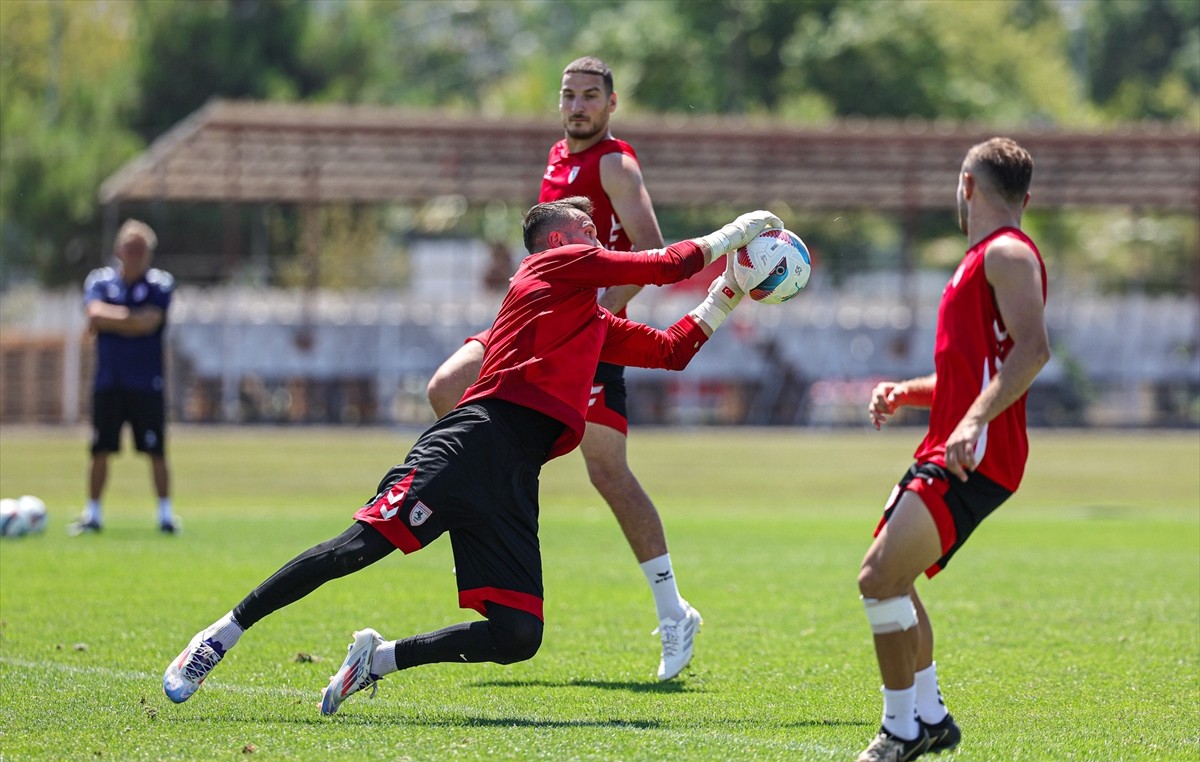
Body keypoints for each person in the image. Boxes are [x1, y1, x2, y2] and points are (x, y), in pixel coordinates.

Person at [163, 197, 782, 714]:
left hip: (516, 471)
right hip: (472, 441)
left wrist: (728, 291)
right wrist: (739, 231)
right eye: (585, 226)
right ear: (556, 239)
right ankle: (219, 636)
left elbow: (671, 351)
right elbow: (666, 264)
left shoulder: (586, 316)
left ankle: (379, 660)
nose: (597, 233)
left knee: (518, 635)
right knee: (355, 549)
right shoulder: (551, 268)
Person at [427, 56, 699, 682]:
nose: (578, 106)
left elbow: (651, 251)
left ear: (611, 104)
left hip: (581, 338)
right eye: (569, 95)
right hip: (538, 332)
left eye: (590, 96)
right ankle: (496, 494)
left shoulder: (615, 163)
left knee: (608, 473)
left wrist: (588, 327)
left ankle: (673, 611)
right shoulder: (556, 159)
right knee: (445, 386)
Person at [848, 137, 1050, 762]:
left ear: (967, 186)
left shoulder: (1009, 253)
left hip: (974, 454)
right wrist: (909, 393)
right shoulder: (978, 261)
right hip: (950, 442)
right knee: (894, 581)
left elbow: (1034, 350)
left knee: (878, 579)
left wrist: (972, 421)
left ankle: (899, 728)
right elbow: (975, 374)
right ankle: (930, 718)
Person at [70, 219, 179, 536]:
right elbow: (94, 314)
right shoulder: (100, 281)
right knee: (100, 449)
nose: (134, 255)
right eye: (129, 248)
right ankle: (93, 514)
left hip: (146, 383)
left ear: (149, 254)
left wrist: (112, 318)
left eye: (140, 249)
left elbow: (149, 322)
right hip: (109, 381)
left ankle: (166, 515)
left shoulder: (159, 284)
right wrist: (130, 318)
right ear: (118, 250)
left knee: (156, 451)